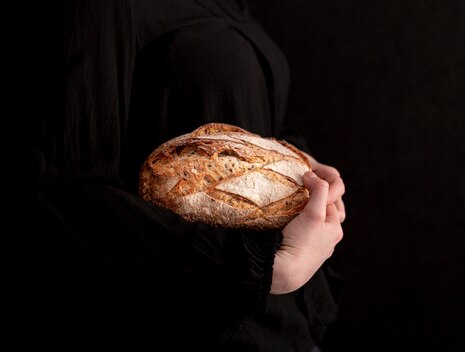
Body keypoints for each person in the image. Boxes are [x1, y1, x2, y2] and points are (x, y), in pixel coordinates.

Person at [13, 0, 345, 350]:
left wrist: (297, 162)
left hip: (287, 331)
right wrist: (267, 272)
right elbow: (67, 188)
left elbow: (238, 112)